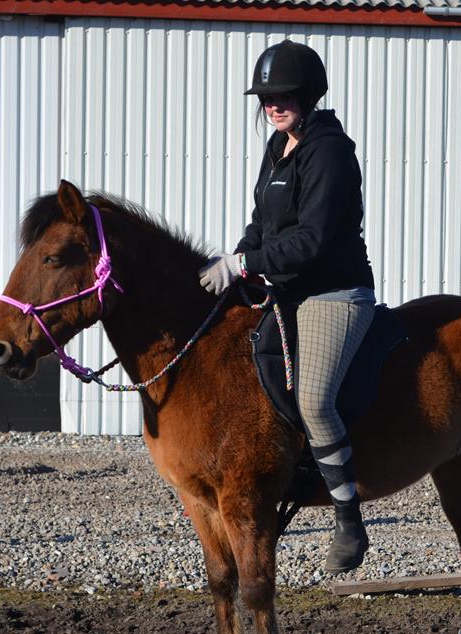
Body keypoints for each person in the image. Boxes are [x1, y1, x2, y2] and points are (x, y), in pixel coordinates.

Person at [198, 39, 377, 574]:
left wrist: (244, 265)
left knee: (316, 400)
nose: (274, 104)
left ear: (310, 95)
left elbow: (313, 241)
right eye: (267, 96)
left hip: (334, 293)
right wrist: (237, 256)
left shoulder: (330, 151)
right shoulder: (277, 147)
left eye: (285, 95)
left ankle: (349, 516)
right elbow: (262, 224)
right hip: (286, 290)